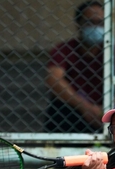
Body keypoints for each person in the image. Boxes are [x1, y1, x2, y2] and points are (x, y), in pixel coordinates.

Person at [44, 1, 106, 133]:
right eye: (90, 22)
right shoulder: (65, 49)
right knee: (60, 107)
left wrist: (105, 109)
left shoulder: (113, 52)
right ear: (79, 25)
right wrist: (85, 107)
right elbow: (53, 79)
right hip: (72, 110)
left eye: (100, 23)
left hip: (105, 108)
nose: (95, 28)